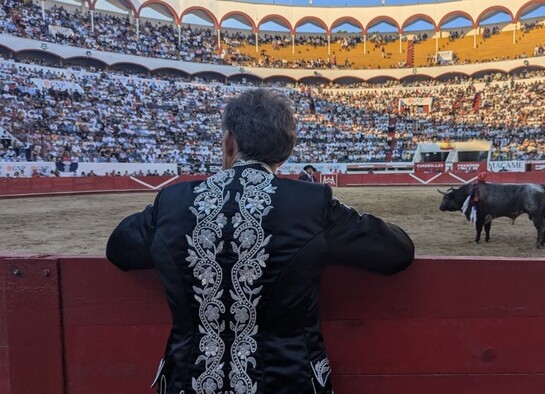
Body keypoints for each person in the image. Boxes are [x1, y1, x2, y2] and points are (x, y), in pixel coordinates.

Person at [106, 89, 415, 394]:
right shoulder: (310, 204)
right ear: (286, 151)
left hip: (189, 382)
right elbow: (396, 251)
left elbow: (119, 248)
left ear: (229, 143)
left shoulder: (173, 201)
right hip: (287, 382)